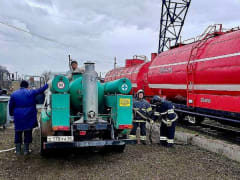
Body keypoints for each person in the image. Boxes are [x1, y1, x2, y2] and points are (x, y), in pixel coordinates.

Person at [9, 80, 48, 155]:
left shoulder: (14, 94)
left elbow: (11, 106)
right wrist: (48, 84)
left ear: (20, 86)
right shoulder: (31, 92)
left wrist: (12, 114)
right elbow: (40, 90)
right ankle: (26, 150)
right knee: (28, 131)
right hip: (28, 114)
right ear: (27, 86)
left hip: (18, 115)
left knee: (18, 131)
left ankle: (18, 150)